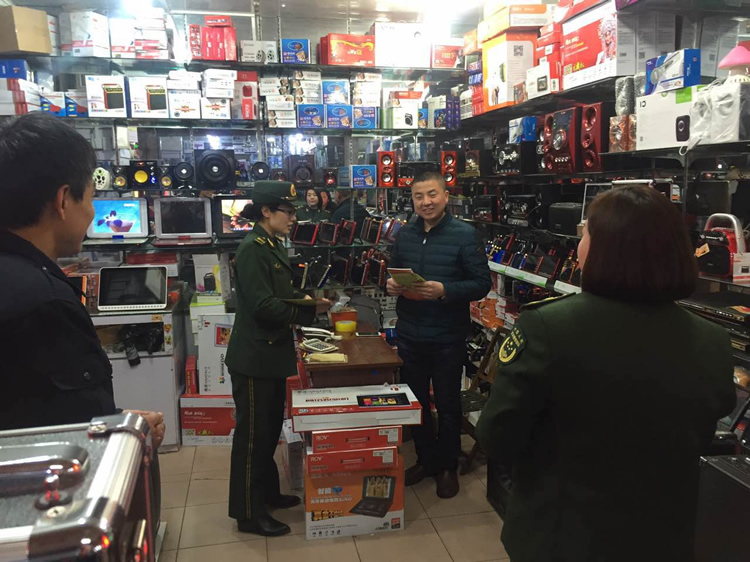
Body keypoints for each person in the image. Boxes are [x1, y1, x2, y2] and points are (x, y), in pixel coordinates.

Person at [476, 185, 736, 562]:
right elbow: (705, 431)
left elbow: (497, 435)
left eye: (586, 234)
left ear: (605, 249)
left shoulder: (548, 327)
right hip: (664, 535)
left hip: (564, 535)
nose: (579, 246)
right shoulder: (712, 339)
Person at [0, 113, 165, 447]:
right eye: (90, 199)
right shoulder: (46, 304)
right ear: (63, 201)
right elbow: (72, 442)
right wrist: (128, 434)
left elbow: (38, 410)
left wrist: (115, 418)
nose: (91, 214)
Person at [225, 181, 331, 537]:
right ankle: (247, 513)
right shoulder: (252, 249)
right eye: (288, 211)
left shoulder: (270, 244)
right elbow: (263, 305)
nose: (293, 218)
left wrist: (306, 299)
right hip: (254, 357)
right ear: (267, 211)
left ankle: (267, 494)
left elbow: (280, 293)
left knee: (269, 432)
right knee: (252, 438)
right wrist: (308, 310)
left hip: (269, 353)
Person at [386, 171, 491, 498]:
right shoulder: (405, 234)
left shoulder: (465, 235)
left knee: (447, 404)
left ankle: (447, 466)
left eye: (432, 194)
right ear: (412, 200)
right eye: (419, 196)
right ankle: (426, 460)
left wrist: (446, 290)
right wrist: (390, 285)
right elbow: (392, 271)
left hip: (447, 336)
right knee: (415, 404)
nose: (426, 202)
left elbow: (482, 283)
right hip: (410, 334)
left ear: (446, 196)